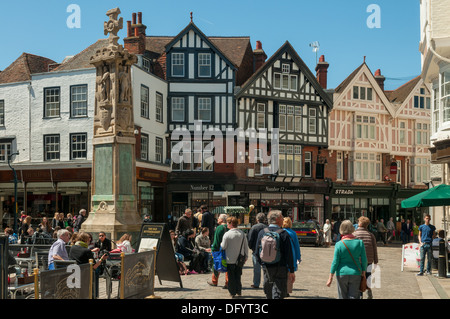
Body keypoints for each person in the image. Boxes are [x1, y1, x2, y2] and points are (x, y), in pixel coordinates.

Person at [256, 210, 295, 299]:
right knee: (279, 292)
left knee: (268, 292)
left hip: (267, 266)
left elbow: (256, 252)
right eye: (282, 217)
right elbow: (289, 253)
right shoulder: (283, 233)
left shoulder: (262, 232)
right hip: (281, 266)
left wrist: (262, 263)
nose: (283, 219)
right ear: (277, 219)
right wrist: (291, 270)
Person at [326, 220, 367, 299]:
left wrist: (330, 276)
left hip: (342, 273)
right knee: (354, 296)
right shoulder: (360, 243)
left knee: (342, 296)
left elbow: (335, 262)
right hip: (356, 273)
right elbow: (364, 260)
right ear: (352, 229)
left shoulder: (339, 244)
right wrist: (363, 273)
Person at [69, 231, 108, 298]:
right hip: (84, 275)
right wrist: (101, 259)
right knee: (96, 270)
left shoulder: (72, 248)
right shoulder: (86, 251)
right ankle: (94, 295)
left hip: (73, 274)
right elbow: (94, 267)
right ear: (86, 240)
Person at [220, 216, 248, 298]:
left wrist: (220, 244)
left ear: (231, 224)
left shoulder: (227, 234)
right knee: (238, 276)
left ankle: (232, 292)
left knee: (231, 276)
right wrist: (246, 256)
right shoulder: (242, 234)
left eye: (228, 223)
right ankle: (238, 290)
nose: (227, 224)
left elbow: (223, 246)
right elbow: (246, 246)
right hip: (240, 259)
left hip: (230, 259)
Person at [354, 216, 378, 299]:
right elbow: (374, 248)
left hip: (358, 259)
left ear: (360, 224)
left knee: (358, 276)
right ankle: (368, 289)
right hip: (369, 259)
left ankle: (360, 294)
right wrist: (375, 260)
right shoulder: (371, 235)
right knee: (368, 275)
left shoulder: (355, 234)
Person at [207, 214, 229, 288]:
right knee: (227, 265)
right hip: (228, 249)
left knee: (216, 265)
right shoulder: (229, 227)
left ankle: (214, 281)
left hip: (219, 249)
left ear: (222, 220)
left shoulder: (219, 228)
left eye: (218, 218)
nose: (217, 219)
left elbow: (216, 241)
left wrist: (213, 249)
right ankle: (227, 282)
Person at [247, 212, 267, 288]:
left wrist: (251, 247)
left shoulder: (254, 227)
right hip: (266, 250)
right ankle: (266, 283)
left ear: (257, 219)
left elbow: (250, 239)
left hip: (255, 250)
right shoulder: (267, 227)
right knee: (265, 268)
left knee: (256, 268)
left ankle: (256, 283)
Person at [283, 217, 301, 295]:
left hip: (283, 255)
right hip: (292, 255)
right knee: (290, 273)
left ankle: (282, 289)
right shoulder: (293, 233)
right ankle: (287, 291)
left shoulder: (281, 232)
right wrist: (298, 257)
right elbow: (297, 246)